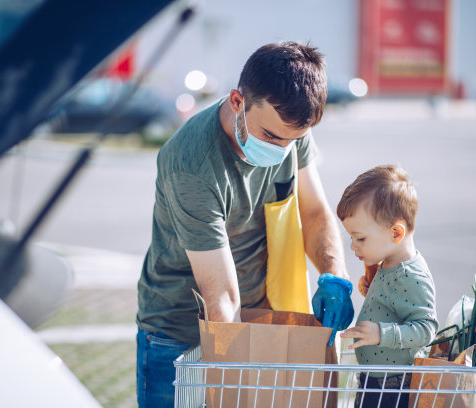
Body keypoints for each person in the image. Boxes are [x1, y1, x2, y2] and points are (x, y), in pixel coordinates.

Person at [135, 41, 355, 408]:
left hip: (256, 317)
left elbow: (315, 212)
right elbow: (220, 295)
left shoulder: (288, 123)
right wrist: (235, 381)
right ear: (238, 101)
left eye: (292, 141)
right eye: (270, 137)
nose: (281, 150)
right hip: (178, 334)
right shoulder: (191, 164)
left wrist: (334, 275)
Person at [337, 165, 439, 408]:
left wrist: (381, 334)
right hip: (376, 379)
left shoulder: (409, 275)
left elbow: (426, 329)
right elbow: (394, 303)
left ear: (395, 233)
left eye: (360, 238)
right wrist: (373, 289)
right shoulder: (390, 262)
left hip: (394, 387)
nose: (353, 246)